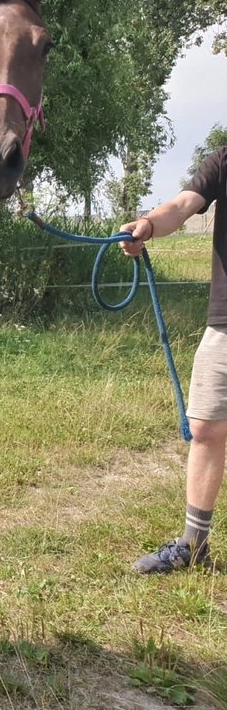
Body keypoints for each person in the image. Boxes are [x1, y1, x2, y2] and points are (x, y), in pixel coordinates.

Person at [121, 145, 227, 573]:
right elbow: (183, 205)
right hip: (224, 320)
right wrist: (147, 224)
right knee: (204, 425)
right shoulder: (223, 159)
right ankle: (194, 545)